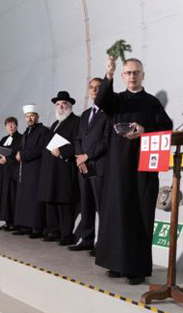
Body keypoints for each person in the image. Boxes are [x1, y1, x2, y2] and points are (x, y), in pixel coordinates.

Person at [94, 56, 173, 285]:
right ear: (122, 76)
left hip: (143, 169)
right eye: (127, 73)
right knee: (117, 214)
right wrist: (108, 74)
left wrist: (144, 130)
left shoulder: (152, 103)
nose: (132, 76)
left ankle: (137, 269)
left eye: (136, 72)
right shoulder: (116, 101)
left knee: (139, 215)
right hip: (118, 167)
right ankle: (117, 264)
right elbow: (101, 100)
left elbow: (166, 128)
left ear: (143, 75)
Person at [70, 78, 110, 253]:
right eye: (91, 88)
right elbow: (78, 138)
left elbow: (106, 140)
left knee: (101, 206)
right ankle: (86, 239)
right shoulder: (85, 114)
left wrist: (88, 155)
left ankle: (102, 244)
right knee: (86, 203)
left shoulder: (109, 112)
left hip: (99, 165)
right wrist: (79, 157)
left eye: (98, 88)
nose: (94, 91)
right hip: (84, 166)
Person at [37, 91, 81, 245]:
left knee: (64, 203)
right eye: (58, 104)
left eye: (64, 104)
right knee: (51, 201)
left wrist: (63, 151)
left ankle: (66, 235)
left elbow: (79, 144)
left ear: (70, 106)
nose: (60, 107)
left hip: (65, 168)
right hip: (51, 170)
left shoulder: (77, 122)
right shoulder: (55, 124)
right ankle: (54, 231)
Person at [13, 104, 50, 237]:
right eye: (27, 116)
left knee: (34, 199)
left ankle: (36, 228)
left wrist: (22, 155)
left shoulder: (43, 131)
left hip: (36, 169)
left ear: (37, 117)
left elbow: (40, 148)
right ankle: (25, 226)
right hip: (26, 169)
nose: (29, 119)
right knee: (25, 198)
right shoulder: (25, 133)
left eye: (32, 116)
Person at [0, 117, 23, 231]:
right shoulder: (3, 139)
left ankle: (15, 223)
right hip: (4, 173)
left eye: (12, 124)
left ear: (16, 125)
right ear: (6, 127)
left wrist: (8, 159)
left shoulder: (20, 138)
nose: (10, 126)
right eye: (8, 124)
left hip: (13, 173)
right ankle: (7, 222)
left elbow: (19, 155)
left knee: (13, 197)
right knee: (5, 198)